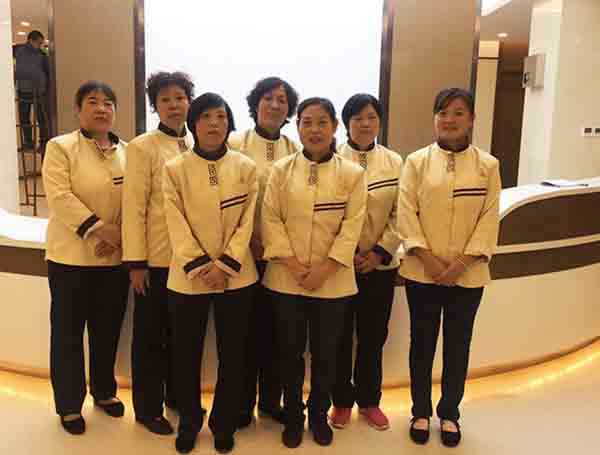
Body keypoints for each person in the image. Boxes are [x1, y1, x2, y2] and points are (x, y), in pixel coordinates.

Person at [397, 88, 501, 447]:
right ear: (435, 118)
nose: (449, 119)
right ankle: (420, 411)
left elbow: (489, 218)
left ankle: (450, 413)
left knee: (458, 345)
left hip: (467, 275)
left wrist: (460, 264)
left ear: (471, 119)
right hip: (421, 272)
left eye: (458, 113)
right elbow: (406, 213)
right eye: (442, 112)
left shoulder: (488, 165)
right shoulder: (416, 162)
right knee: (422, 344)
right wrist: (428, 260)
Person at [261, 97, 367, 448]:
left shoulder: (352, 174)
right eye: (306, 122)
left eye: (322, 122)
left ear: (335, 127)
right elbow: (270, 219)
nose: (314, 130)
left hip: (333, 282)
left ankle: (319, 414)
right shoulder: (281, 171)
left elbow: (352, 226)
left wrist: (325, 269)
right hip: (285, 280)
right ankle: (293, 415)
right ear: (297, 127)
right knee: (288, 353)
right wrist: (293, 265)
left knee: (326, 354)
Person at [163, 93, 258, 454]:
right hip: (189, 278)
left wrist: (226, 265)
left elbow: (247, 222)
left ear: (229, 123)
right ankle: (189, 421)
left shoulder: (245, 167)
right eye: (205, 117)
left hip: (237, 277)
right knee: (186, 354)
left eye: (221, 116)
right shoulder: (175, 169)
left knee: (233, 354)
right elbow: (175, 221)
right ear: (193, 123)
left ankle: (223, 422)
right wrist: (203, 266)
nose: (214, 123)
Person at [42, 81, 129, 435]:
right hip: (71, 260)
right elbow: (60, 196)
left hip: (113, 260)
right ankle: (68, 404)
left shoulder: (128, 152)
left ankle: (104, 391)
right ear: (78, 110)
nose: (101, 109)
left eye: (108, 103)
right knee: (67, 335)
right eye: (92, 102)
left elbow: (136, 199)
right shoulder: (60, 147)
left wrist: (119, 236)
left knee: (107, 331)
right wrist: (100, 230)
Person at [121, 71, 195, 435]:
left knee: (182, 337)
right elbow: (133, 207)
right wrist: (137, 263)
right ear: (155, 106)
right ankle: (148, 409)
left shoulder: (196, 142)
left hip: (190, 261)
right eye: (165, 99)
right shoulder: (142, 147)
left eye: (179, 98)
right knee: (150, 338)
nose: (173, 105)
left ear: (189, 102)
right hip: (155, 259)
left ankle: (177, 398)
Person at [228, 76, 300, 428]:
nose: (274, 105)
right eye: (268, 98)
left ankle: (272, 402)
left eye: (282, 100)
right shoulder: (235, 143)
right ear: (255, 104)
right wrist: (248, 240)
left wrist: (275, 244)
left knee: (276, 334)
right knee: (243, 336)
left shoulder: (296, 149)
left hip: (281, 258)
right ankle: (242, 405)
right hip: (241, 255)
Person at [329, 94, 403, 431]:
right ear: (346, 123)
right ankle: (341, 401)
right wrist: (347, 252)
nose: (365, 123)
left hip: (380, 266)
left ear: (380, 122)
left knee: (373, 337)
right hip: (340, 265)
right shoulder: (333, 159)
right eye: (357, 118)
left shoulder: (394, 161)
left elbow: (401, 212)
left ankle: (370, 401)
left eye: (371, 117)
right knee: (340, 338)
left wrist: (378, 253)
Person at [14, 30, 49, 149]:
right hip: (24, 90)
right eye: (39, 43)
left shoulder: (42, 54)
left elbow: (47, 71)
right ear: (30, 41)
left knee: (41, 119)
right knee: (25, 119)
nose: (40, 45)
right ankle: (29, 143)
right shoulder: (18, 51)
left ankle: (43, 143)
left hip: (39, 91)